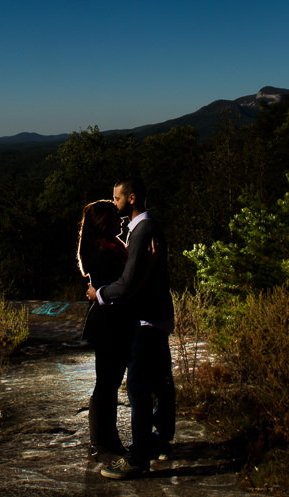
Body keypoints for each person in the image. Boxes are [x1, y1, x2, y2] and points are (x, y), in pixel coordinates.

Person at [86, 177, 176, 480]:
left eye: (117, 198)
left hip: (147, 318)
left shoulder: (141, 231)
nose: (114, 203)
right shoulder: (143, 230)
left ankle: (139, 456)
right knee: (158, 381)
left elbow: (126, 283)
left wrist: (98, 294)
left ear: (132, 198)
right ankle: (160, 441)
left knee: (138, 387)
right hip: (156, 316)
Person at [76, 199, 134, 462]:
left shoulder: (110, 246)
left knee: (109, 384)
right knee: (106, 384)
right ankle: (101, 443)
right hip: (109, 323)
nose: (120, 219)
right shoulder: (104, 250)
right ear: (103, 221)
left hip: (113, 322)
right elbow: (117, 287)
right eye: (114, 216)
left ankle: (108, 440)